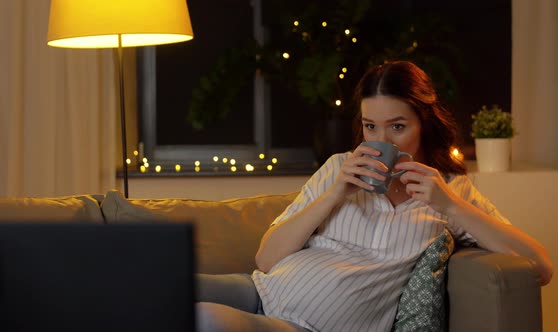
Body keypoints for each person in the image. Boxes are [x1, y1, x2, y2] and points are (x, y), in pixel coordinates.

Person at [196, 61, 553, 332]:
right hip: (260, 291)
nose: (382, 141)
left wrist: (448, 205)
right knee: (154, 286)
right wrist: (335, 193)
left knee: (204, 317)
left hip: (301, 325)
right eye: (371, 127)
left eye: (397, 126)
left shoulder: (449, 189)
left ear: (423, 123)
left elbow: (539, 266)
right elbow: (266, 259)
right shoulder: (340, 167)